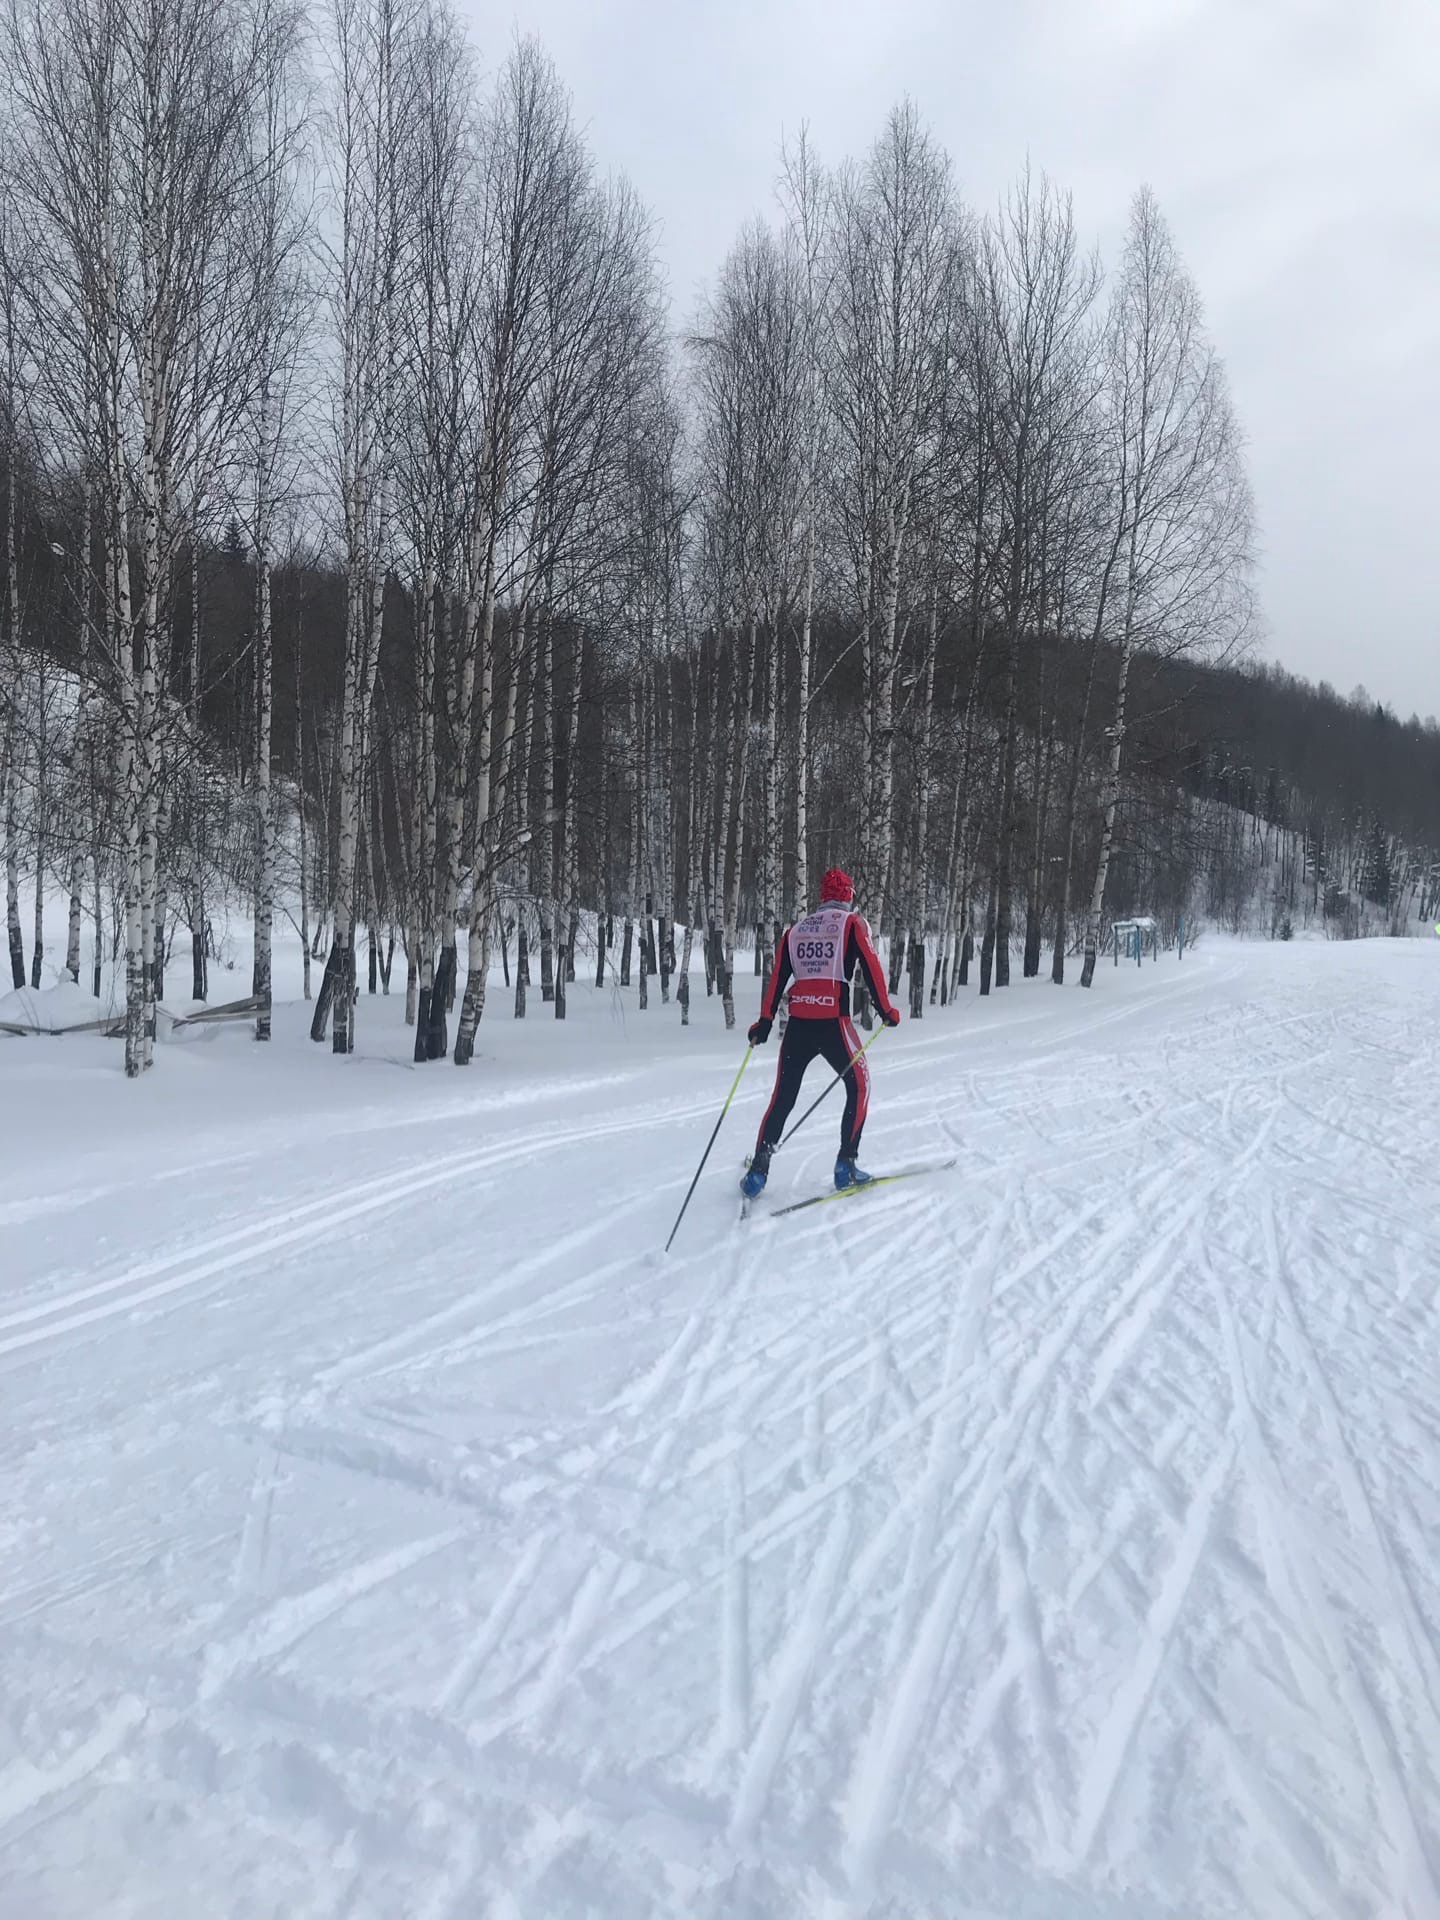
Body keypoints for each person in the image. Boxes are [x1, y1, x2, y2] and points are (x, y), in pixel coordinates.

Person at [740, 867, 900, 1199]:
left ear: (822, 896)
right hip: (833, 1022)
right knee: (859, 1085)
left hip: (797, 1024)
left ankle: (758, 1172)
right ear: (847, 895)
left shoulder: (795, 930)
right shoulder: (853, 924)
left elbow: (777, 979)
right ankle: (846, 1166)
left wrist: (765, 1022)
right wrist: (886, 1010)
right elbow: (871, 965)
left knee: (782, 1098)